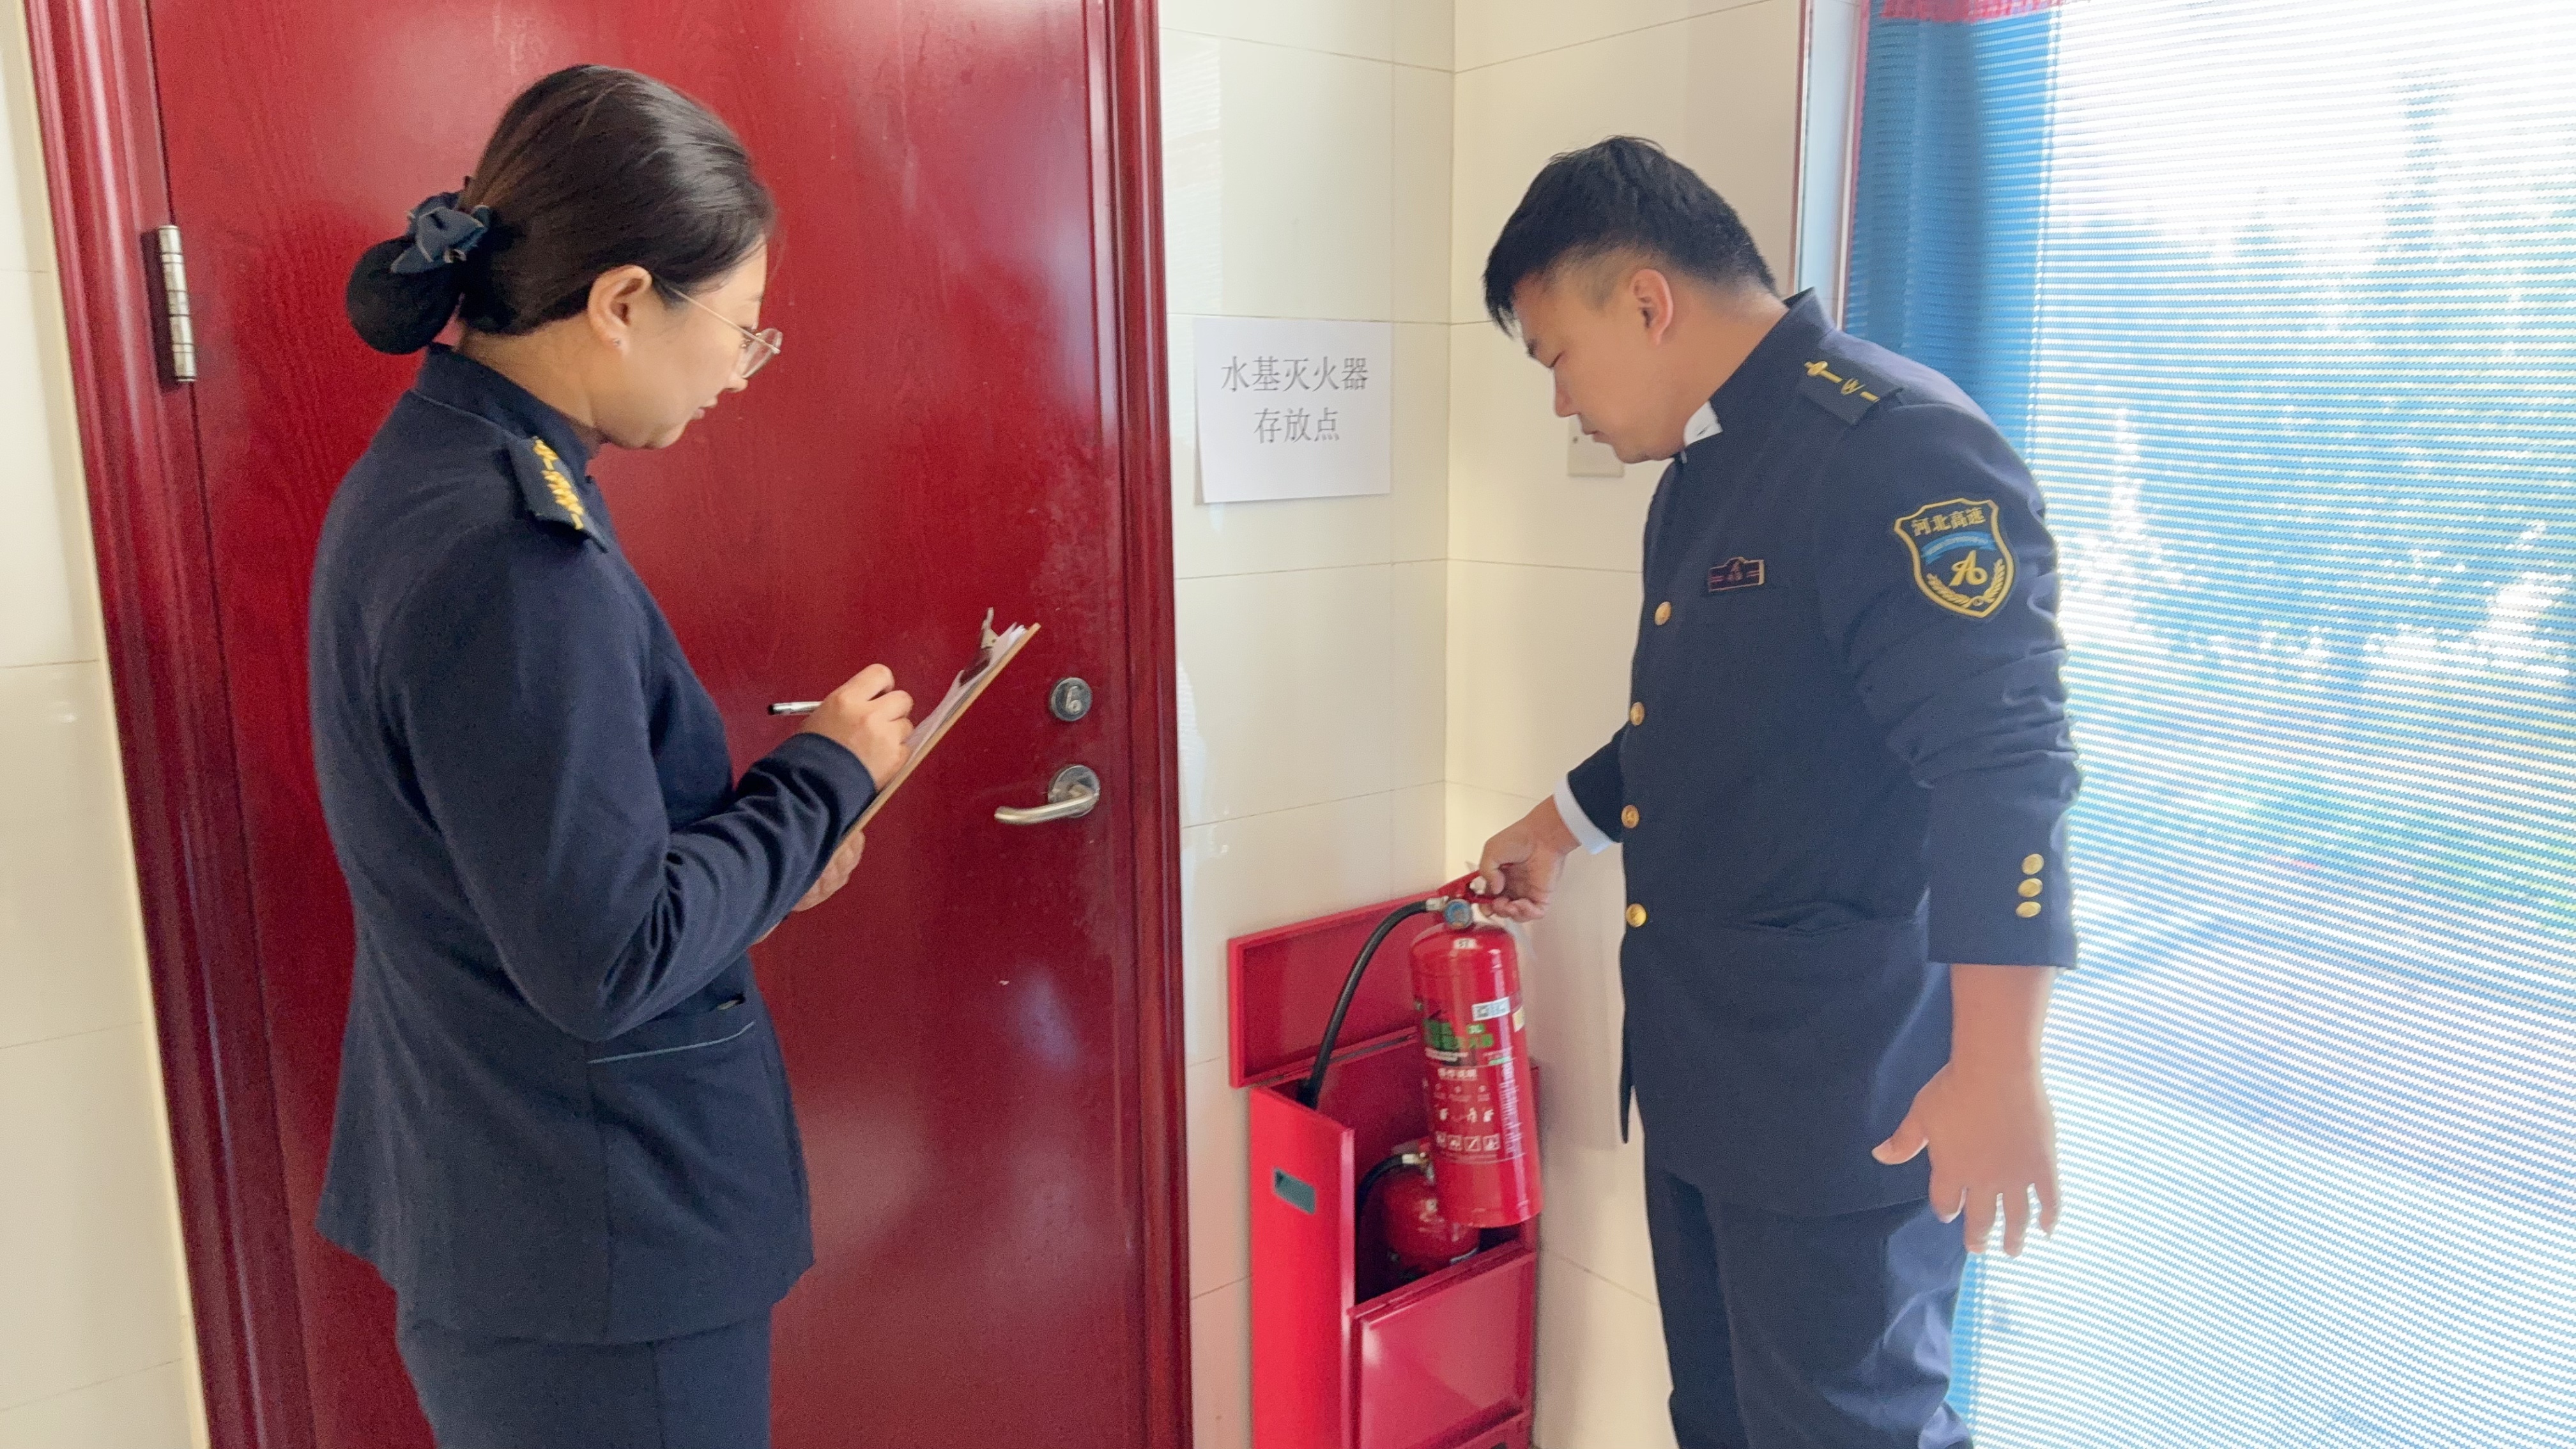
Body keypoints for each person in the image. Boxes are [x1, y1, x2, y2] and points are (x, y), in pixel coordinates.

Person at [309, 65, 914, 1449]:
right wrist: (822, 782)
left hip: (520, 1207)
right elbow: (606, 955)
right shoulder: (517, 554)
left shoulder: (434, 465)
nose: (741, 374)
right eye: (743, 330)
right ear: (626, 300)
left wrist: (772, 865)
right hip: (597, 1253)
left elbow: (537, 874)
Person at [1472, 137, 2082, 1449]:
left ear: (1648, 302)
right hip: (1709, 1079)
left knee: (1847, 1428)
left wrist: (1998, 1066)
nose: (1563, 403)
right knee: (1722, 1421)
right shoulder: (1707, 468)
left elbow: (2002, 768)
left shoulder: (1893, 450)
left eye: (1560, 357)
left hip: (1843, 1103)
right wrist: (1560, 825)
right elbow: (1708, 720)